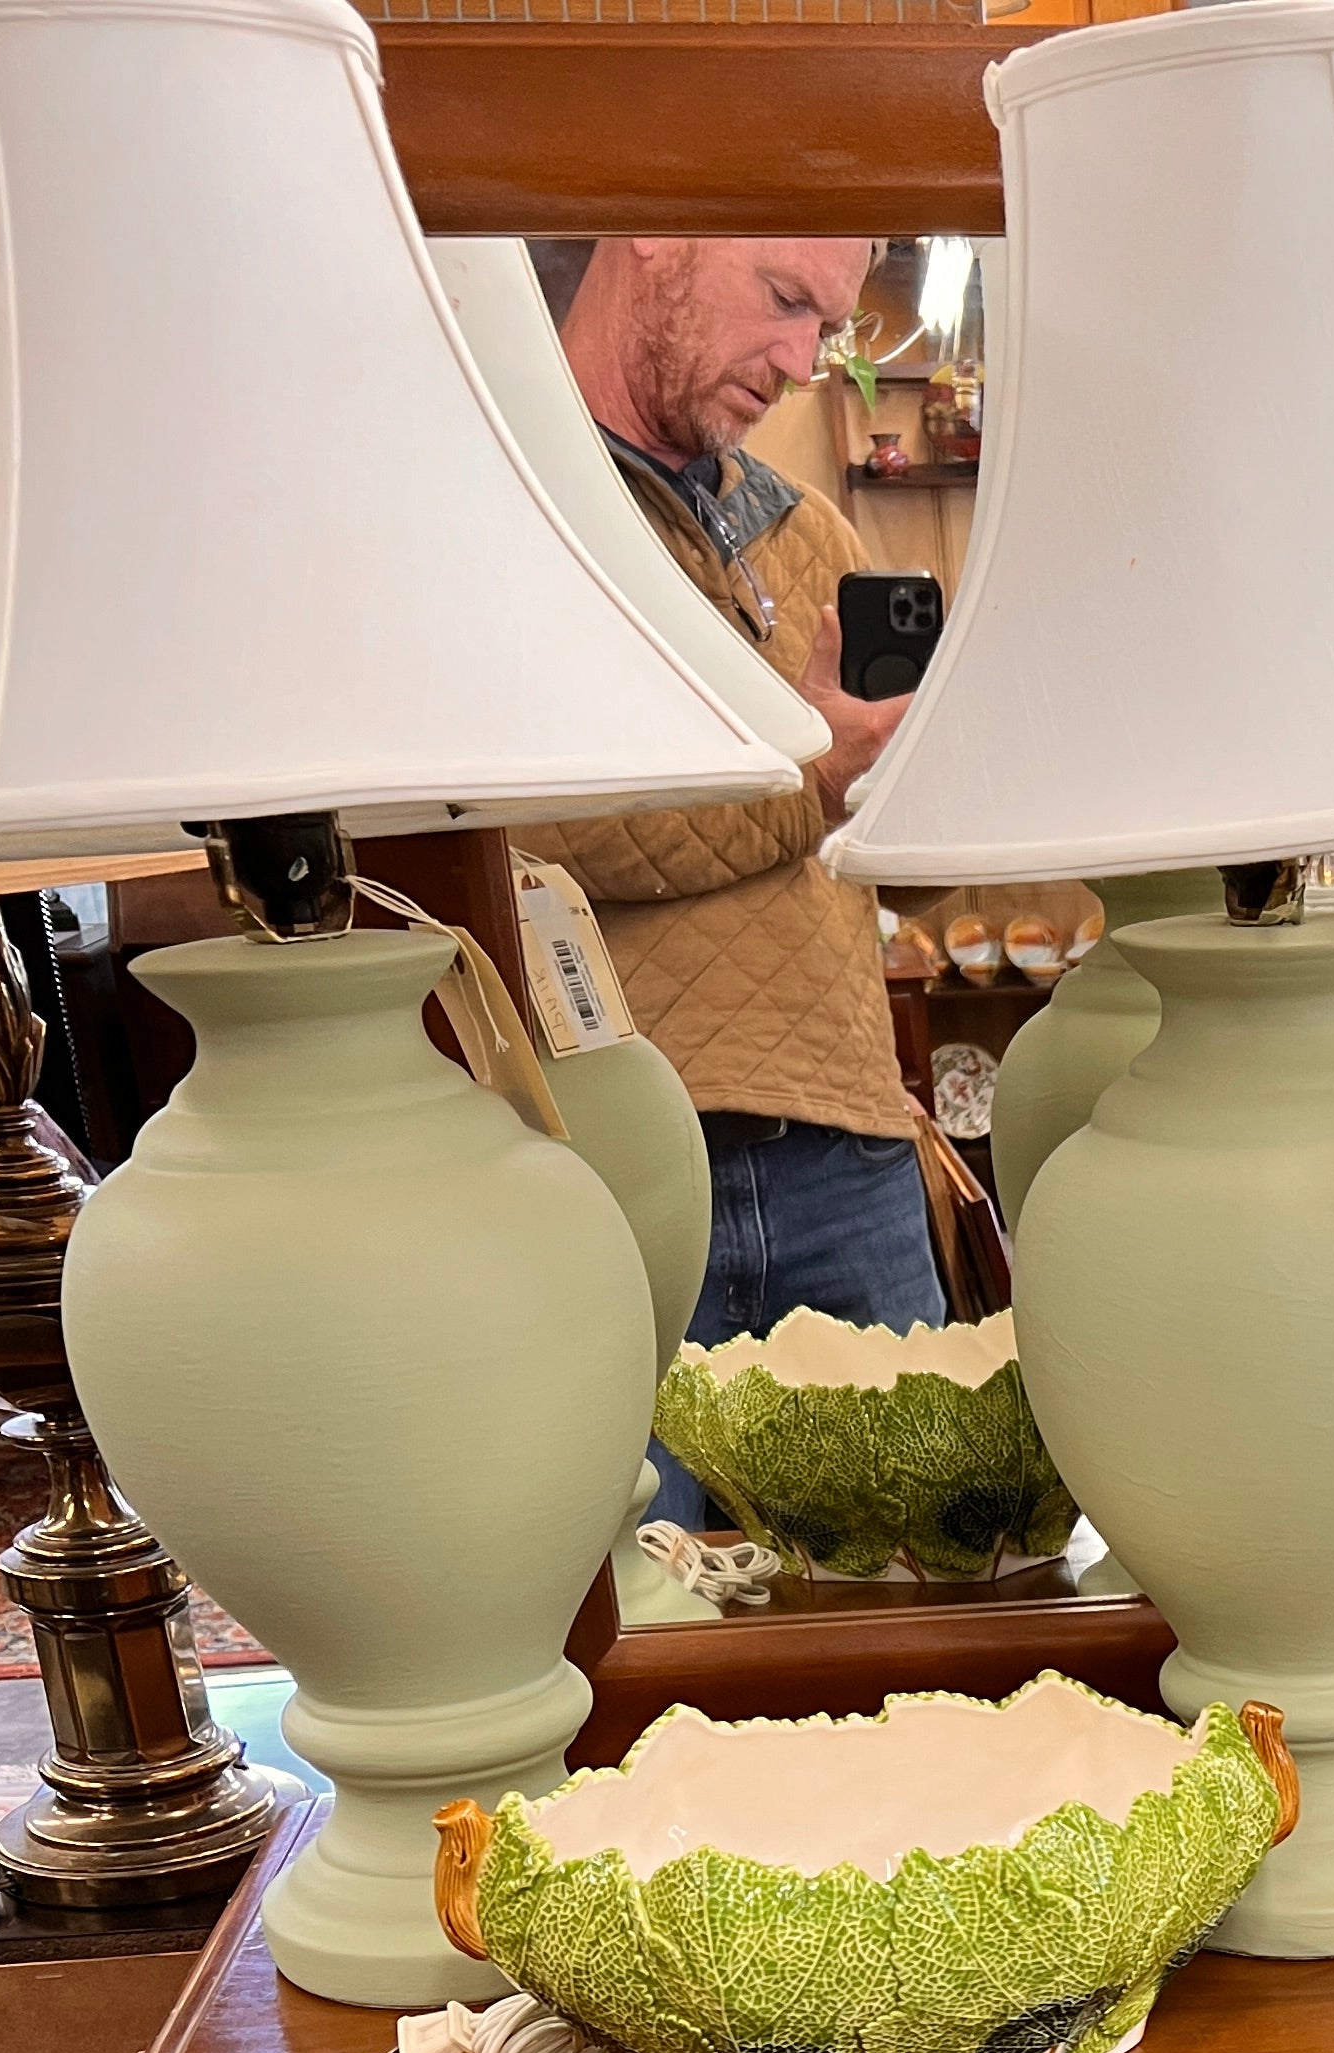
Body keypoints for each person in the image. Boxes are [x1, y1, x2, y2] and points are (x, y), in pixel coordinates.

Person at [513, 238, 943, 1434]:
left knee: (911, 1594)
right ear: (655, 228)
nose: (804, 361)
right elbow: (547, 824)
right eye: (785, 300)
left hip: (852, 1144)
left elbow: (859, 852)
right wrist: (813, 777)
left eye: (829, 328)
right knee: (638, 1602)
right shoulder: (514, 514)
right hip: (613, 1169)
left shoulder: (808, 536)